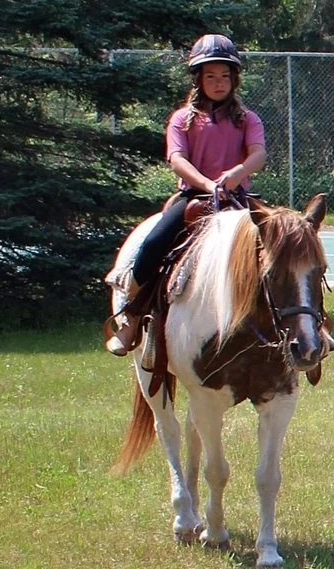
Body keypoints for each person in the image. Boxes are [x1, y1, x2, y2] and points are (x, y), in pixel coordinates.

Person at [107, 34, 268, 355]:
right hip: (193, 198)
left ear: (234, 80)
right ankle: (131, 319)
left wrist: (236, 174)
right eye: (211, 76)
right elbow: (177, 160)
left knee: (283, 246)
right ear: (199, 80)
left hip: (236, 200)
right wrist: (209, 185)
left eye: (225, 76)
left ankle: (306, 324)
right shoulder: (182, 119)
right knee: (154, 244)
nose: (218, 83)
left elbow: (258, 155)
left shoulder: (248, 119)